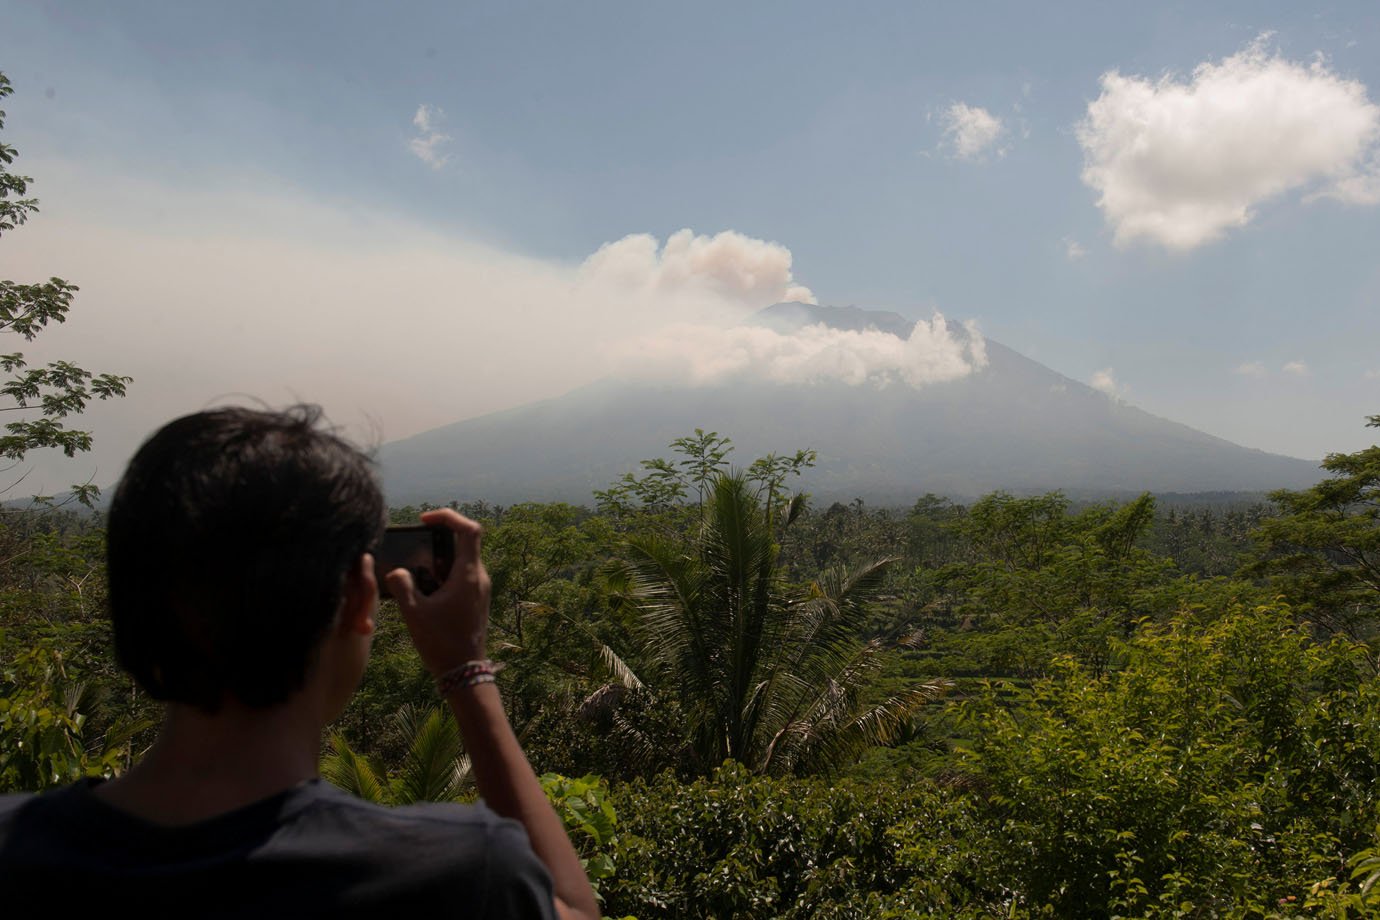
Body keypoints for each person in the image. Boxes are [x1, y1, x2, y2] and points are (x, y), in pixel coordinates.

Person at [0, 405, 601, 918]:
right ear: (363, 598)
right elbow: (573, 908)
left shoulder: (19, 848)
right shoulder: (455, 877)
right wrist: (465, 666)